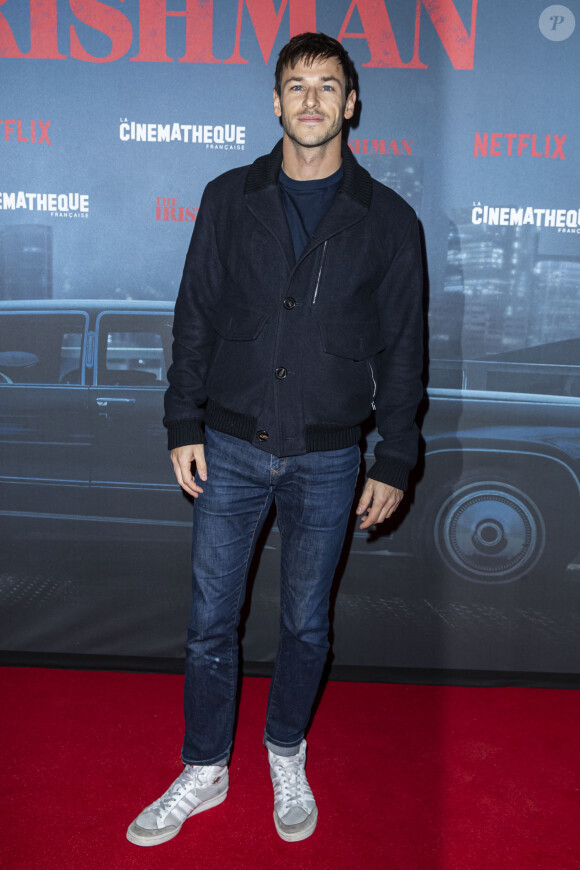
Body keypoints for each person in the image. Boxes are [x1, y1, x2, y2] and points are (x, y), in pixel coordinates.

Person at [127, 31, 423, 847]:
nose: (312, 101)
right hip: (228, 445)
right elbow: (195, 318)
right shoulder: (228, 197)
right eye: (296, 85)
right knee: (209, 623)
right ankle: (205, 767)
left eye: (328, 86)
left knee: (305, 627)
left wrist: (395, 456)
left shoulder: (390, 221)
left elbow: (405, 350)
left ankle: (284, 749)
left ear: (352, 103)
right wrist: (181, 420)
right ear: (275, 101)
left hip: (330, 457)